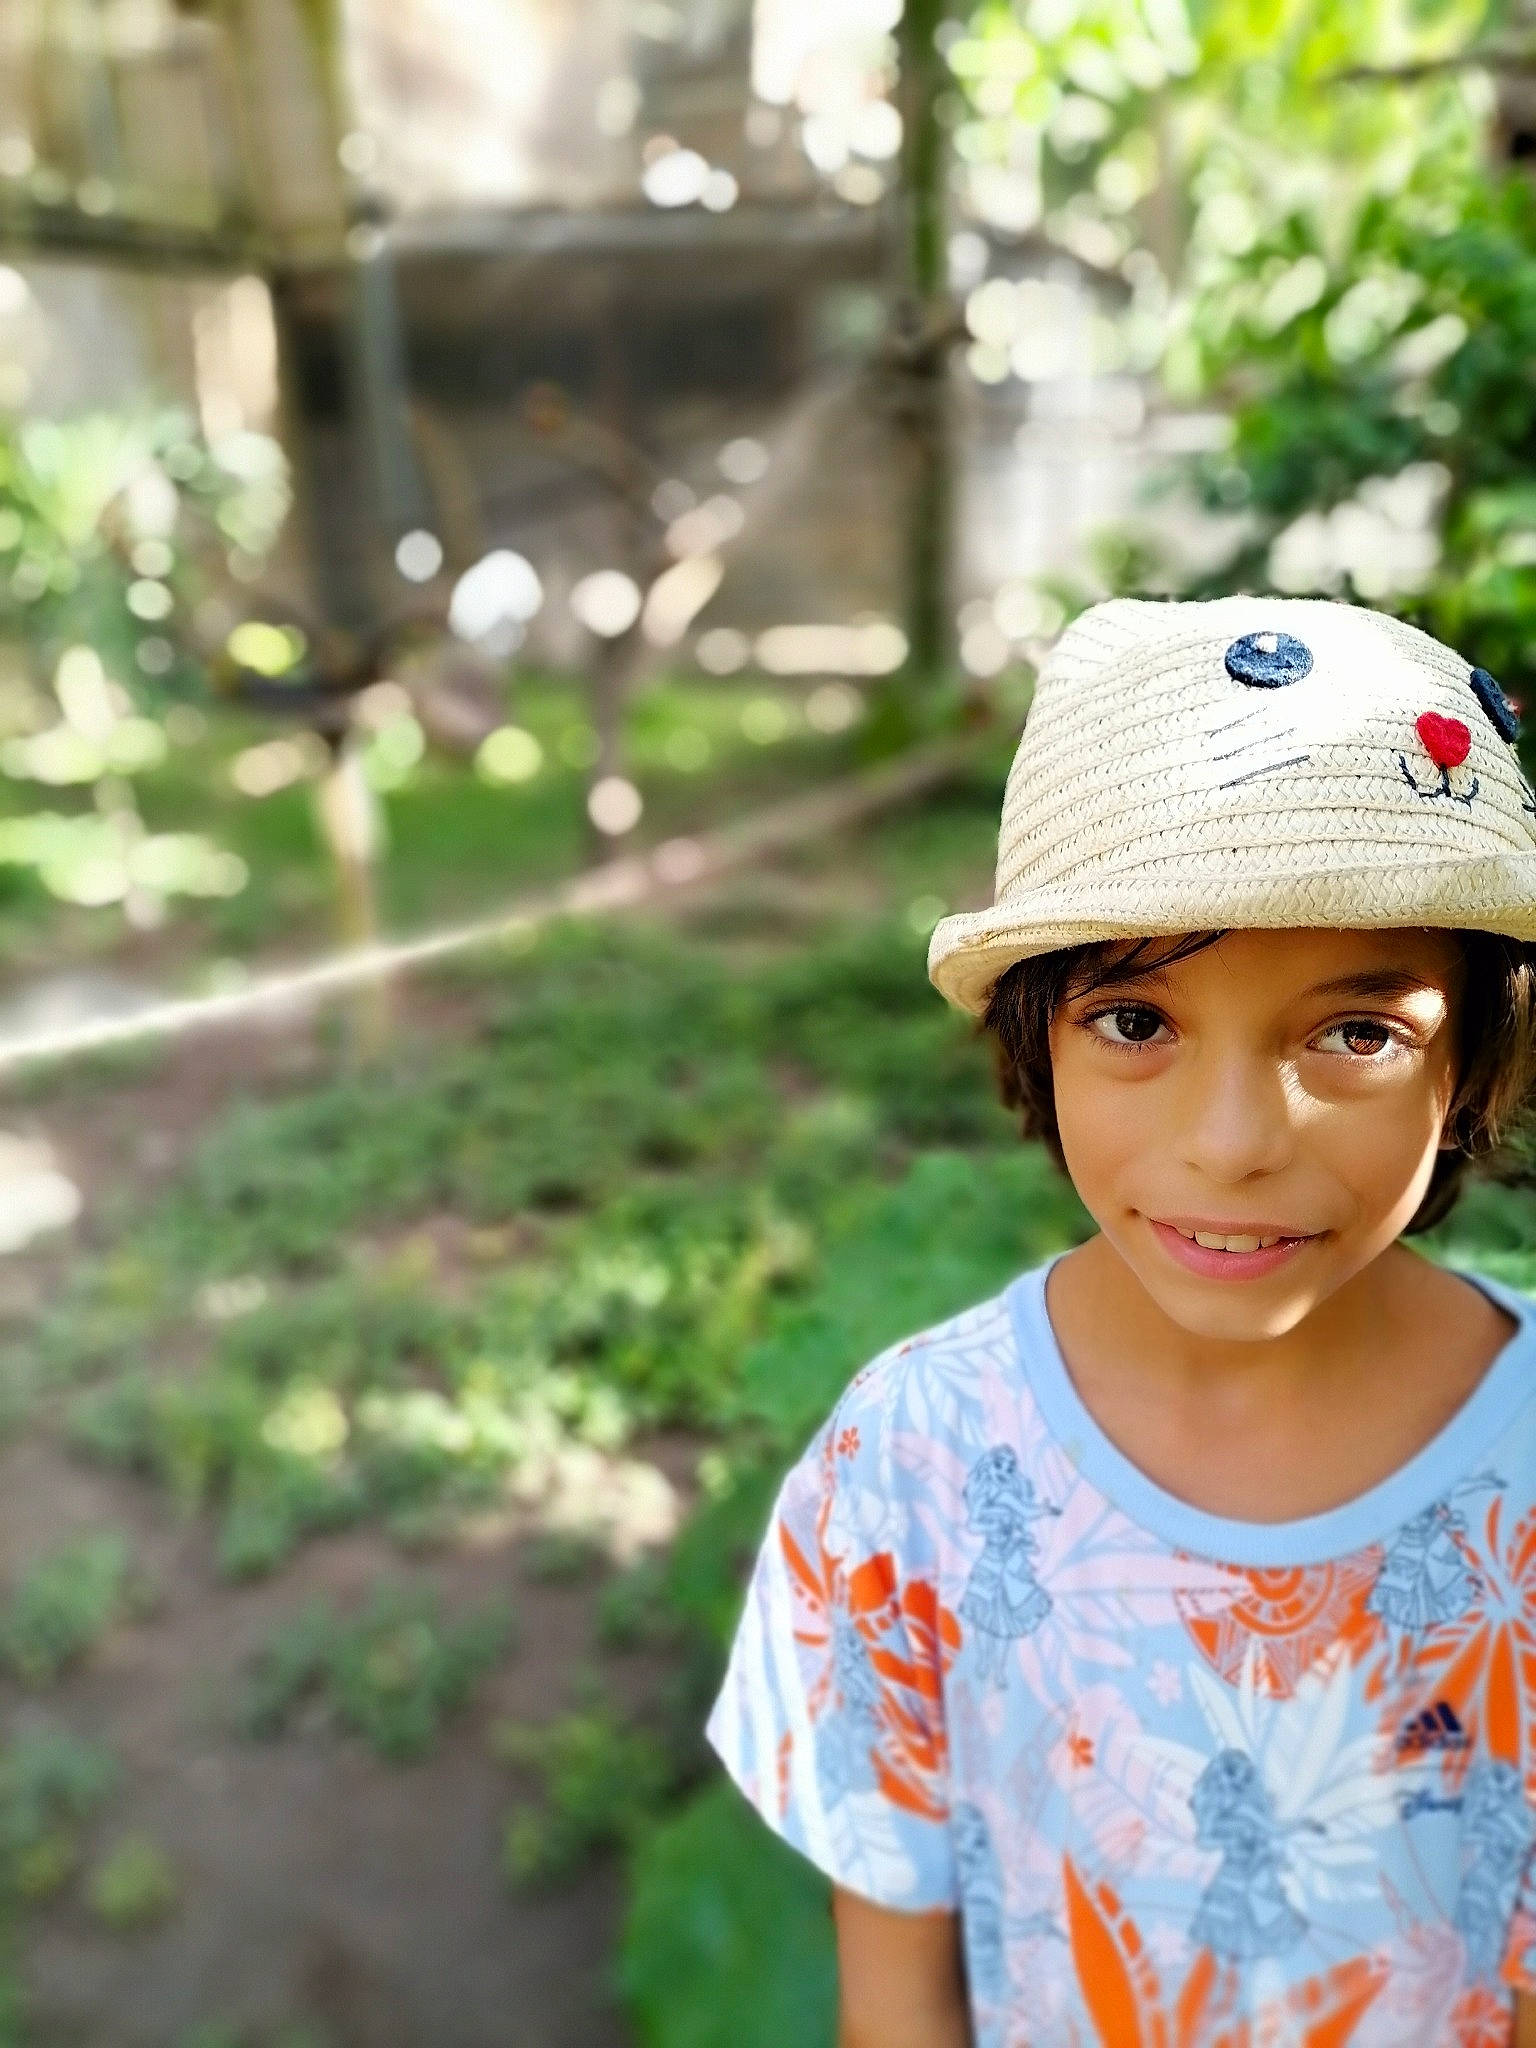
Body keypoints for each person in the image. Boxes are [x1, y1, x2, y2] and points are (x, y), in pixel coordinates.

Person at [705, 596, 1536, 2047]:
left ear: (1474, 1063)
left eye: (1357, 1034)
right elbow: (895, 1991)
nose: (1230, 1145)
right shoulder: (914, 1468)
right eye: (1136, 1022)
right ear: (1033, 1029)